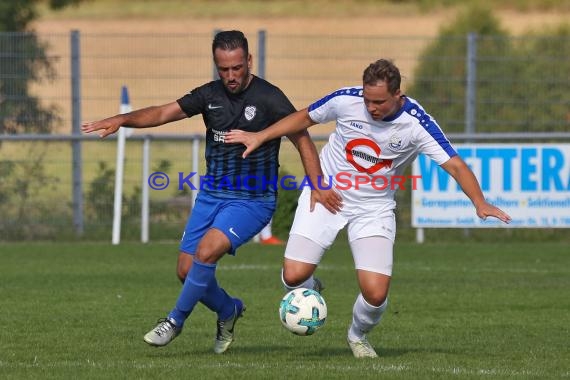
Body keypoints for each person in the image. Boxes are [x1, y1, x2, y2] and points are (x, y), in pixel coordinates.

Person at [225, 59, 512, 358]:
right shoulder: (345, 100)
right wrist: (260, 136)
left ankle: (357, 335)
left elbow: (453, 163)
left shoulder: (416, 123)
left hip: (374, 208)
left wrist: (479, 201)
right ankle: (312, 290)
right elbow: (303, 118)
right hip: (326, 195)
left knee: (375, 294)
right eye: (367, 99)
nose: (371, 107)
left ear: (398, 95)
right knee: (294, 276)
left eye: (379, 102)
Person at [81, 30, 326, 354]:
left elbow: (302, 139)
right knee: (186, 270)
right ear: (216, 65)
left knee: (206, 252)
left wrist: (319, 186)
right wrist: (123, 119)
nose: (231, 76)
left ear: (248, 61)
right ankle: (228, 310)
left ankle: (174, 321)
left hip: (252, 199)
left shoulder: (269, 98)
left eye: (237, 67)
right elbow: (163, 113)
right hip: (211, 195)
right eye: (223, 69)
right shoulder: (209, 95)